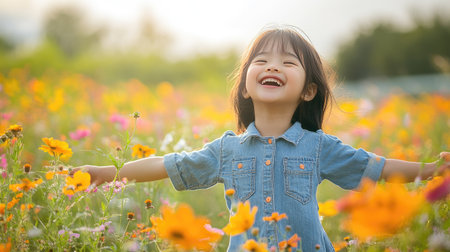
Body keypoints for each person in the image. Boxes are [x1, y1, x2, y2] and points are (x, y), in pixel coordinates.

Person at [73, 26, 449, 251]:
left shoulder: (319, 148)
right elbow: (168, 164)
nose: (272, 66)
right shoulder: (226, 150)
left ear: (308, 91)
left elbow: (375, 168)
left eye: (288, 62)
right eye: (261, 60)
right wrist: (106, 172)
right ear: (246, 87)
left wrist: (433, 170)